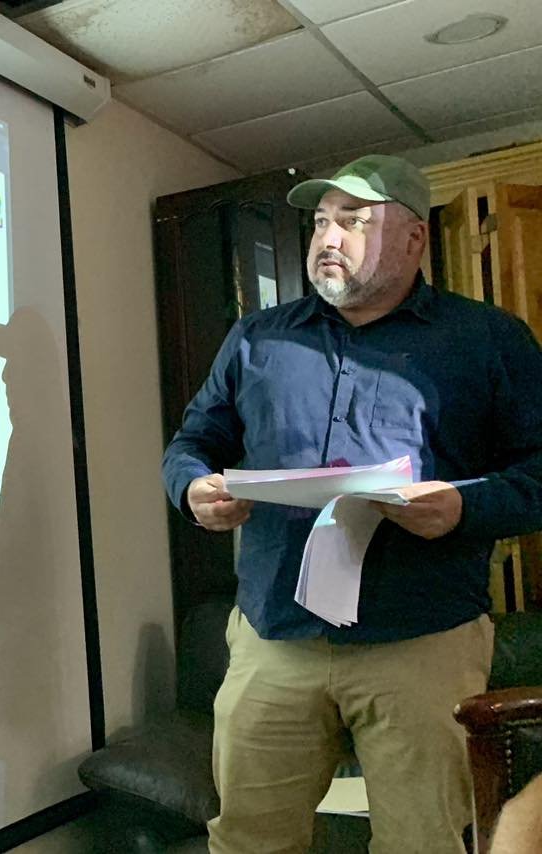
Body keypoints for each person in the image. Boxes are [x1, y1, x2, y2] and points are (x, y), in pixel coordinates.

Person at [161, 153, 542, 853]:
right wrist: (191, 489)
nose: (328, 238)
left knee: (422, 843)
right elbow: (193, 442)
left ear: (414, 237)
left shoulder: (489, 340)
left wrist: (463, 507)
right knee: (248, 841)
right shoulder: (258, 339)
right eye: (320, 222)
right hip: (275, 638)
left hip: (420, 642)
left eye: (354, 221)